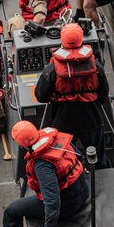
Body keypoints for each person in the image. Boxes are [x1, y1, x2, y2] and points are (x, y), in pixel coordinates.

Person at [0, 120, 90, 227]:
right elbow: (78, 155)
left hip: (68, 205)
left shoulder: (42, 165)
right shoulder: (53, 137)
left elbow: (52, 199)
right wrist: (83, 167)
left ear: (22, 144)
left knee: (11, 211)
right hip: (83, 190)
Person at [34, 22, 109, 168]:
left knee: (65, 158)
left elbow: (41, 96)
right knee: (98, 156)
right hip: (91, 118)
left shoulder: (52, 70)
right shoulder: (96, 67)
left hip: (64, 121)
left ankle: (73, 180)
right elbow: (103, 95)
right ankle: (101, 178)